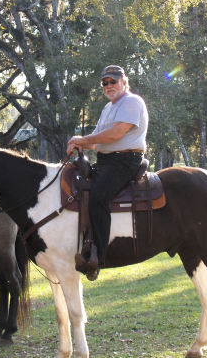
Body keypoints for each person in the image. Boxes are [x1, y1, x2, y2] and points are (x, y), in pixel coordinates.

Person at [67, 65, 148, 280]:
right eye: (105, 83)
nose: (109, 86)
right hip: (106, 161)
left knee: (98, 197)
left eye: (113, 81)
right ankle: (84, 242)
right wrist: (78, 142)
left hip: (124, 160)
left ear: (124, 82)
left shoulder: (131, 102)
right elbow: (97, 139)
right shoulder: (108, 108)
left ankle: (99, 257)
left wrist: (83, 140)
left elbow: (116, 134)